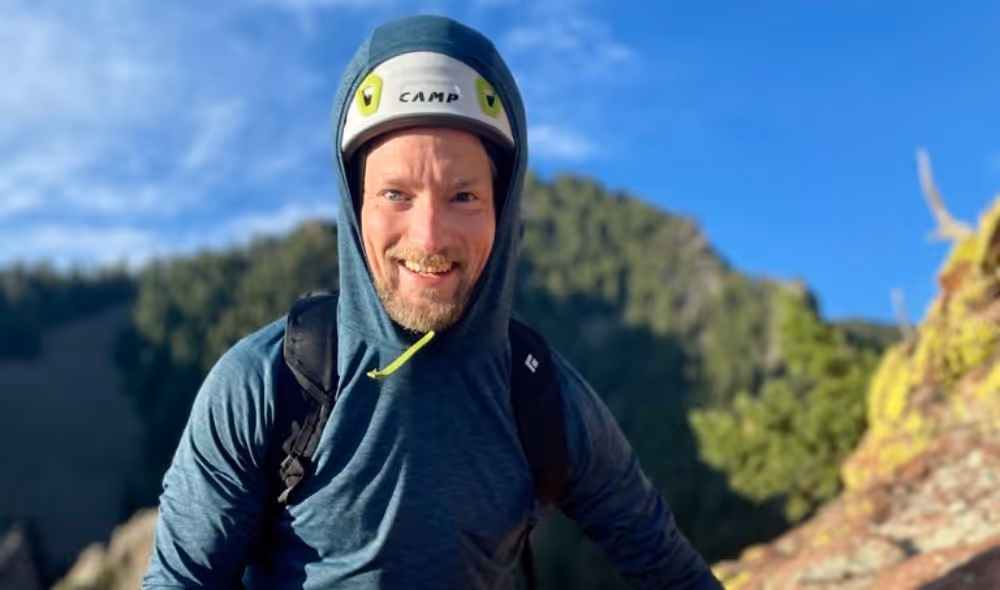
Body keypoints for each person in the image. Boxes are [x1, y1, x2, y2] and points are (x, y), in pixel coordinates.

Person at [141, 14, 724, 590]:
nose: (429, 238)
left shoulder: (538, 393)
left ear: (504, 207)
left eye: (464, 196)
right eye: (396, 194)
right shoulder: (267, 385)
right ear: (354, 207)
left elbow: (663, 561)